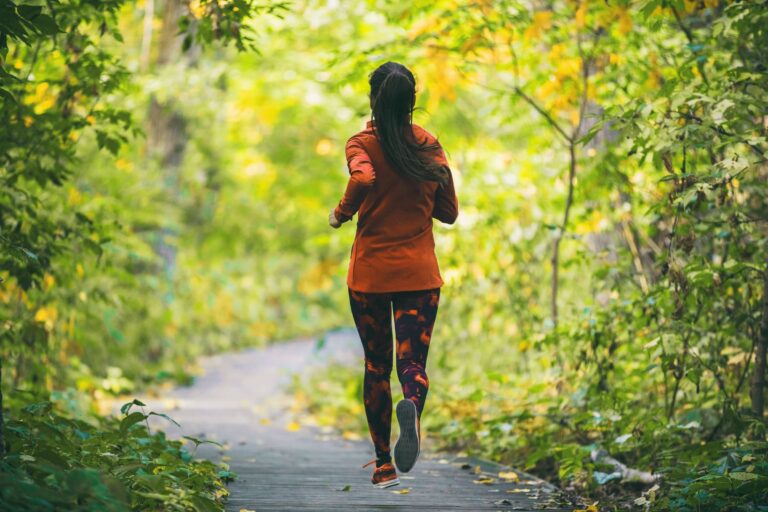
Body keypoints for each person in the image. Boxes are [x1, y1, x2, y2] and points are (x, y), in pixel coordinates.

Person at [328, 61, 459, 489]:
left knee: (375, 365)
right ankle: (413, 408)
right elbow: (450, 212)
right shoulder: (429, 146)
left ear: (372, 99)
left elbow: (363, 176)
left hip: (369, 278)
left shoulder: (361, 143)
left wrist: (342, 212)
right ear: (412, 102)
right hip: (419, 277)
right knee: (411, 364)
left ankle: (384, 463)